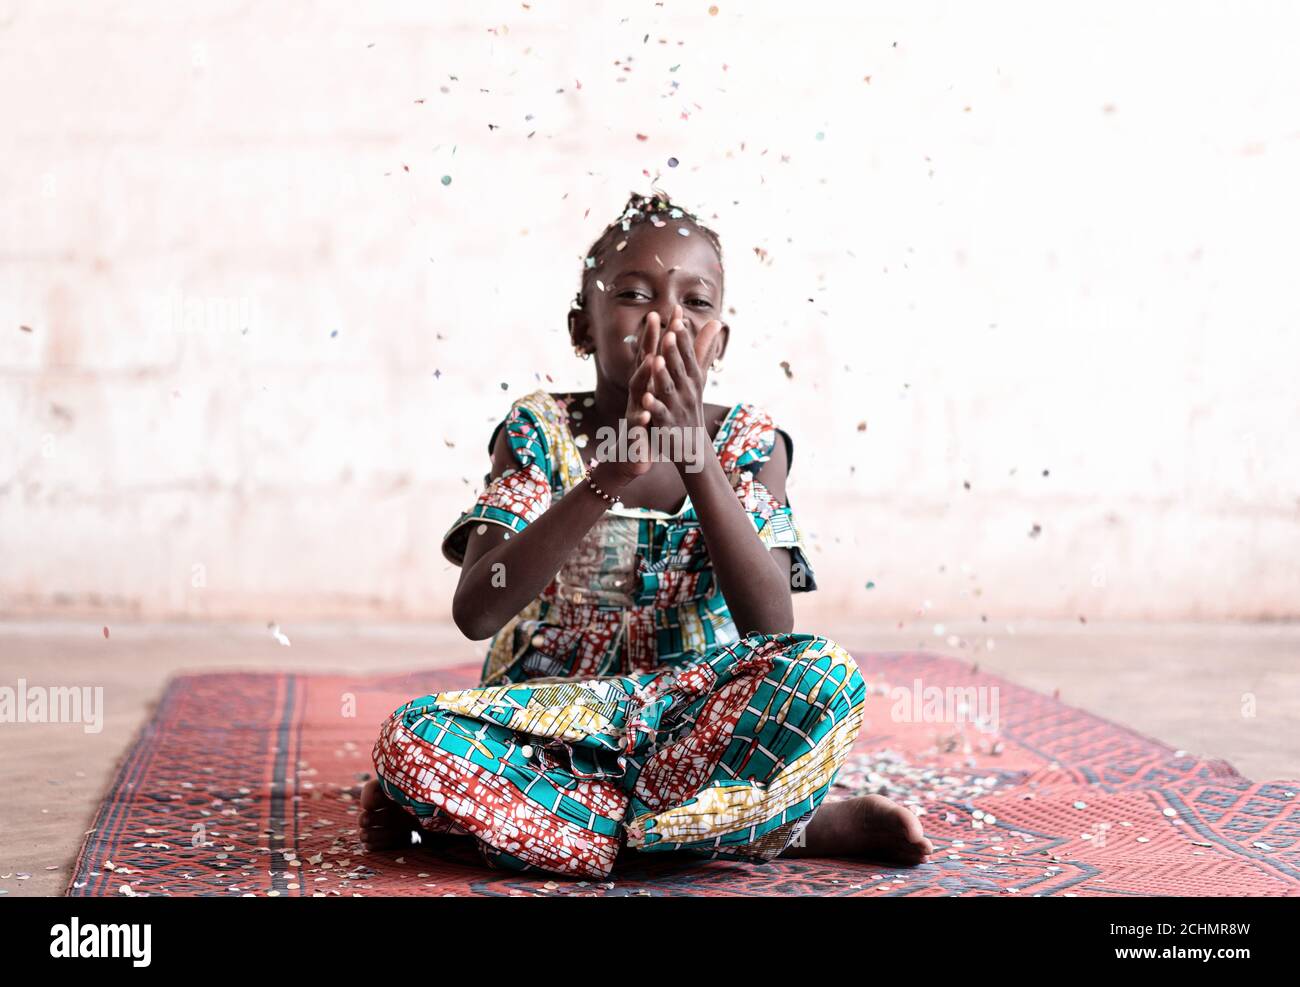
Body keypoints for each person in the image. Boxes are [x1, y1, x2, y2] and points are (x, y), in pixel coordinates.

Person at [360, 190, 933, 879]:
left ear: (718, 341)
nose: (666, 317)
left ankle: (504, 824)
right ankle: (776, 827)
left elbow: (773, 627)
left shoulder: (748, 440)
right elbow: (477, 609)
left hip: (694, 719)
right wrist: (609, 475)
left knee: (824, 677)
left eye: (696, 303)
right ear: (583, 327)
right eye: (634, 294)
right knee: (412, 741)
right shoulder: (538, 432)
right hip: (550, 729)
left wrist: (696, 458)